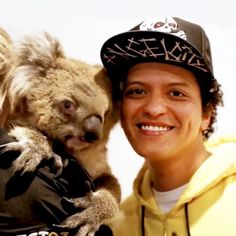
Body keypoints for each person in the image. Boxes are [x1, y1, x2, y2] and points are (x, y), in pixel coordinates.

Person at [100, 17, 236, 236]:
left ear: (206, 114)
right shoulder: (117, 224)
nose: (154, 108)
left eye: (176, 93)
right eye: (137, 91)